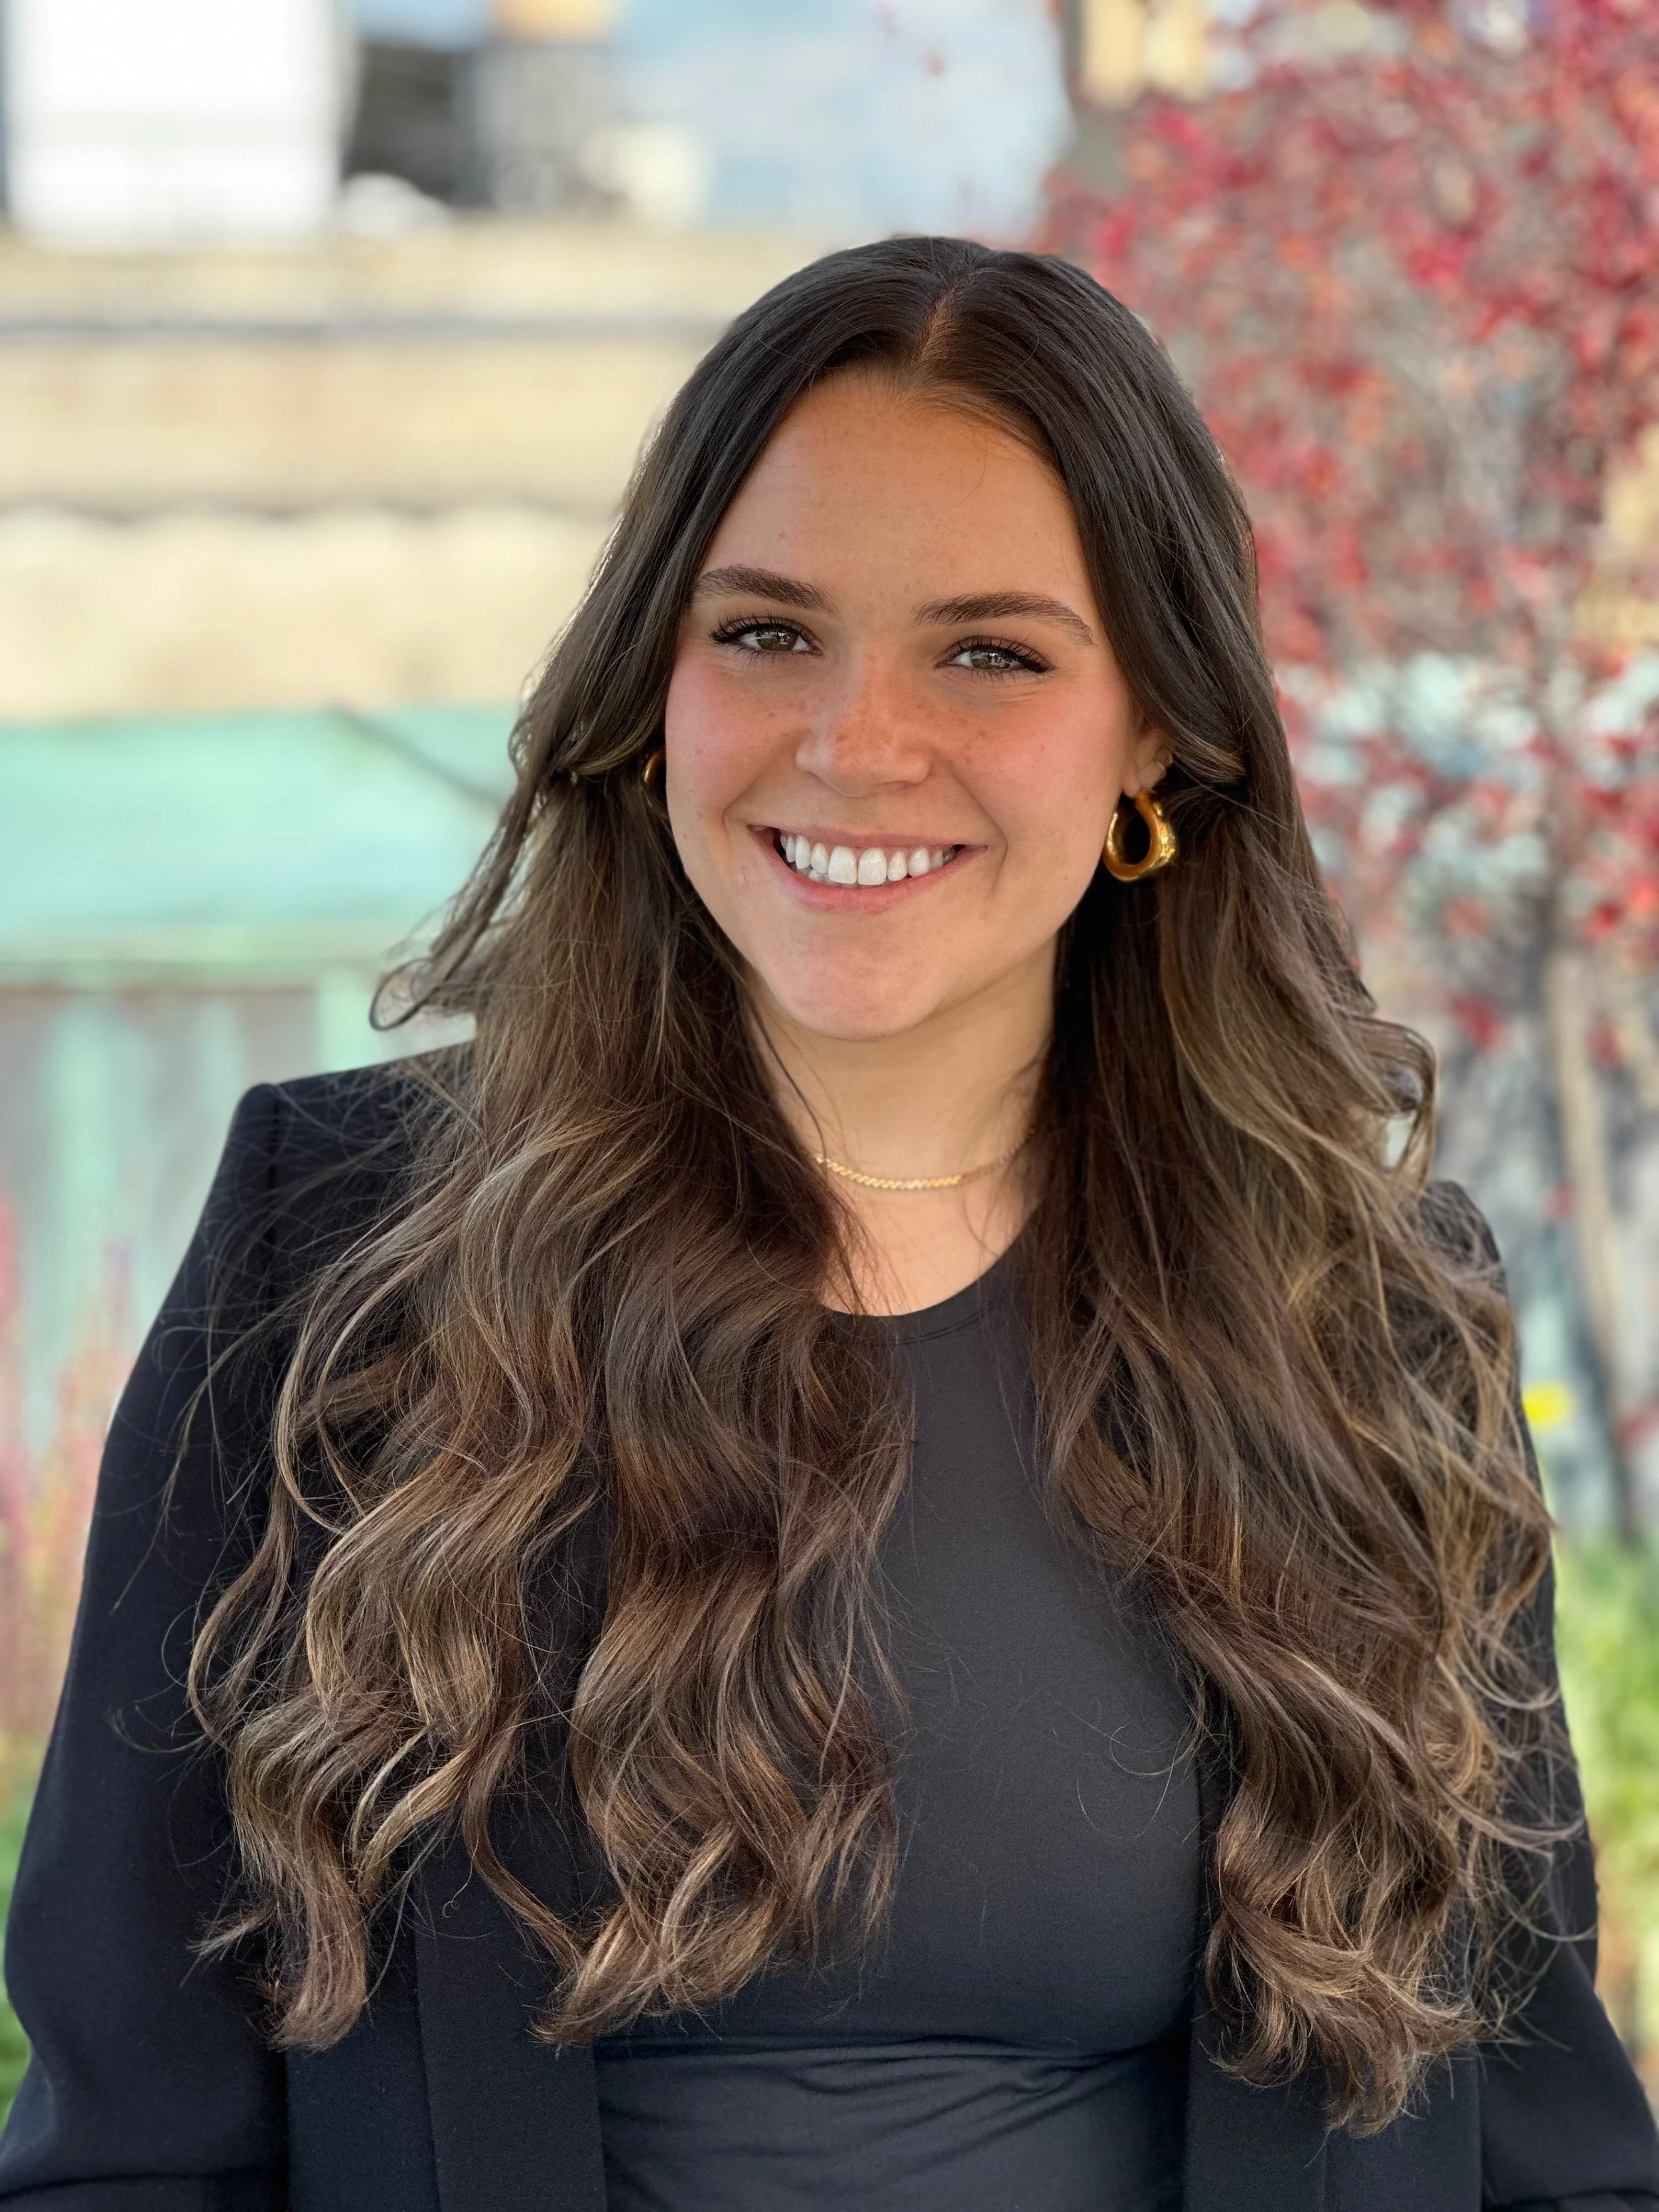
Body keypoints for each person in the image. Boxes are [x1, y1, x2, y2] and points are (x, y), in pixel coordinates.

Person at [2, 238, 1655, 2212]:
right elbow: (131, 2144)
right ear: (652, 688)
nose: (855, 741)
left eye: (990, 651)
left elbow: (1553, 2153)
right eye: (769, 632)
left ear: (1154, 734)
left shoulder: (1370, 1322)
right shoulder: (340, 1252)